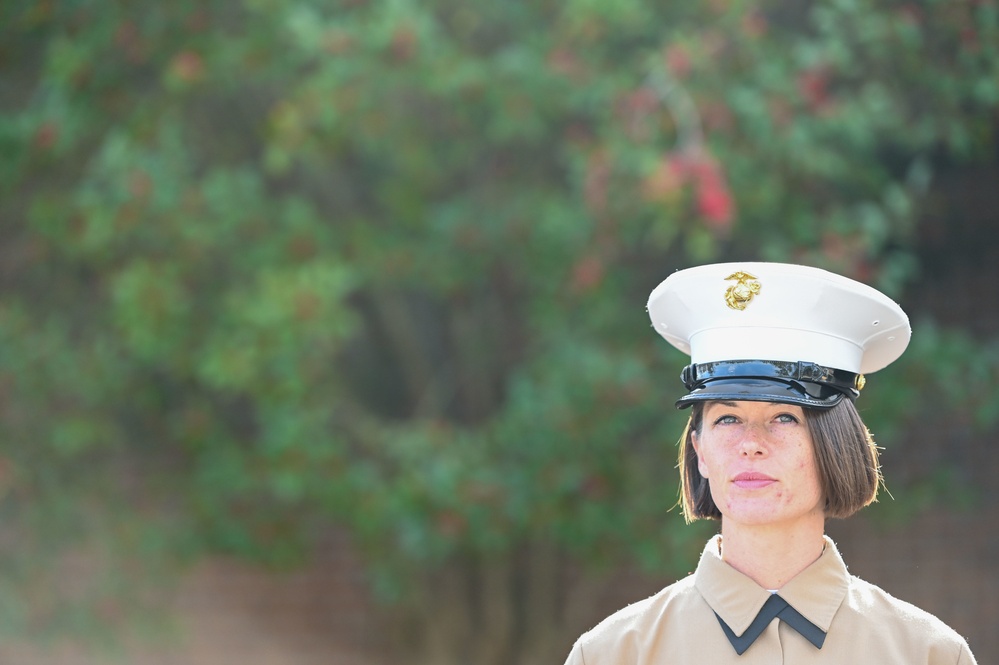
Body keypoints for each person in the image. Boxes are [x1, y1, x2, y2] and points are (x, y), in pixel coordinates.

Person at [563, 262, 978, 664]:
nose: (751, 444)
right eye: (727, 418)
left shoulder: (927, 655)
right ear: (700, 451)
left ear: (836, 444)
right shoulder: (613, 655)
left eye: (784, 417)